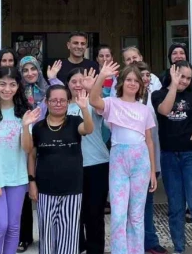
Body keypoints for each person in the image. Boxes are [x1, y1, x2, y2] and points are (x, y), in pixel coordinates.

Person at [90, 62, 158, 254]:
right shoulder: (111, 103)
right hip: (119, 161)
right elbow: (94, 100)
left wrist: (153, 171)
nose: (132, 83)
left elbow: (149, 141)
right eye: (128, 79)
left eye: (136, 80)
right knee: (118, 215)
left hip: (141, 162)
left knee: (136, 215)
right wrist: (101, 76)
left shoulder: (145, 109)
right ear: (122, 82)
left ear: (141, 85)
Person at [25, 85, 95, 254]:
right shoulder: (38, 127)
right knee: (47, 238)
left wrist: (84, 108)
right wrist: (32, 182)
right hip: (45, 190)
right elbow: (30, 154)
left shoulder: (74, 122)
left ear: (68, 102)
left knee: (69, 239)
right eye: (54, 100)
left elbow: (88, 129)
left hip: (72, 190)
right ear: (47, 102)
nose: (58, 104)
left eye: (62, 100)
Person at [0, 67, 40, 254]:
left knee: (13, 227)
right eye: (3, 84)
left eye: (12, 84)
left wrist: (25, 126)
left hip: (17, 177)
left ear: (18, 86)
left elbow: (27, 149)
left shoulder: (24, 113)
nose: (7, 89)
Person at [152, 61, 192, 254]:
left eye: (188, 78)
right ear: (172, 73)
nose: (184, 81)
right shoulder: (158, 95)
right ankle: (179, 249)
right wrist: (174, 86)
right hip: (169, 156)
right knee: (175, 208)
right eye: (181, 76)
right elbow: (165, 110)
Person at [18, 54, 63, 252]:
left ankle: (52, 236)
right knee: (24, 189)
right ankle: (24, 236)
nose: (30, 73)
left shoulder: (47, 88)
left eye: (33, 69)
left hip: (46, 139)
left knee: (47, 189)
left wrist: (53, 78)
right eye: (25, 70)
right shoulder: (17, 91)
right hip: (23, 140)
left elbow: (62, 94)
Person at [66, 68, 110, 254]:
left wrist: (93, 88)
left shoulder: (94, 102)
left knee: (94, 213)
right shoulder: (61, 105)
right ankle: (77, 246)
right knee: (74, 212)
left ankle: (95, 249)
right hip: (71, 166)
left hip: (97, 164)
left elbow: (102, 106)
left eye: (81, 81)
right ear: (67, 84)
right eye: (74, 81)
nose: (78, 85)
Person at [134, 61, 167, 254]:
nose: (146, 78)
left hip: (152, 156)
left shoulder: (154, 96)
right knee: (134, 205)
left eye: (148, 75)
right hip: (132, 159)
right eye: (142, 75)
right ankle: (140, 242)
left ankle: (149, 242)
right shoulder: (127, 99)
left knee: (147, 203)